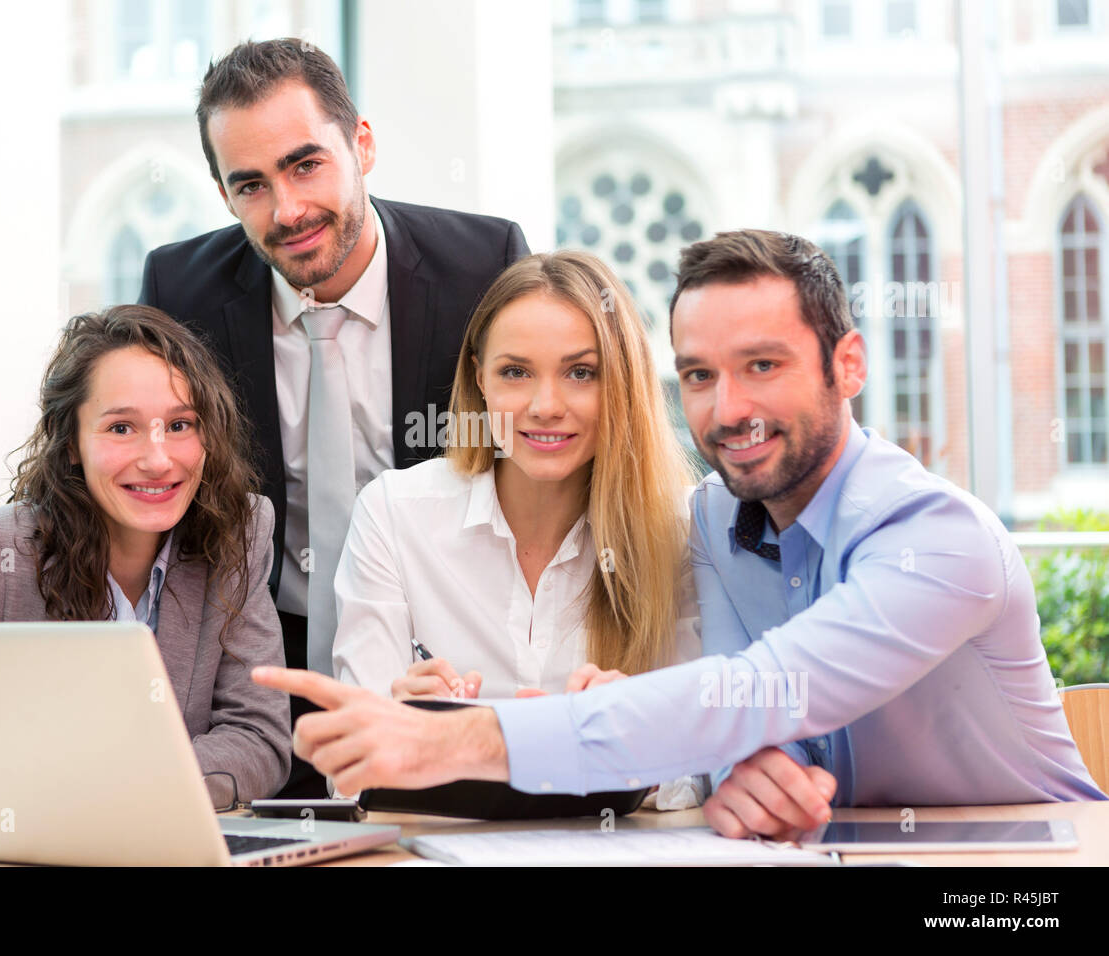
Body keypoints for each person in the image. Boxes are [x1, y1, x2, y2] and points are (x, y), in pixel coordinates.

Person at [252, 229, 1107, 837]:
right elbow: (734, 726)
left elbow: (758, 690)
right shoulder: (717, 524)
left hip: (1020, 871)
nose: (727, 409)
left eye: (762, 366)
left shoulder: (940, 539)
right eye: (700, 375)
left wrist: (454, 736)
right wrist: (738, 772)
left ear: (848, 364)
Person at [139, 38, 528, 796]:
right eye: (250, 184)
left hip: (439, 659)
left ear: (363, 145)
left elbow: (525, 468)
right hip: (257, 670)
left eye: (305, 164)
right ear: (223, 195)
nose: (287, 210)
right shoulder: (179, 290)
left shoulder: (485, 266)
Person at [0, 305, 291, 822]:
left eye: (180, 424)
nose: (158, 458)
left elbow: (259, 740)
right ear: (71, 444)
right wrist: (43, 798)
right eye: (121, 428)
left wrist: (120, 789)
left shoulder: (237, 532)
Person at [330, 251, 704, 806]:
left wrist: (639, 739)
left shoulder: (681, 529)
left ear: (623, 382)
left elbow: (704, 768)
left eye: (581, 372)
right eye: (515, 372)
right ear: (478, 378)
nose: (544, 406)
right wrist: (401, 729)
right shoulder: (393, 512)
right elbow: (349, 776)